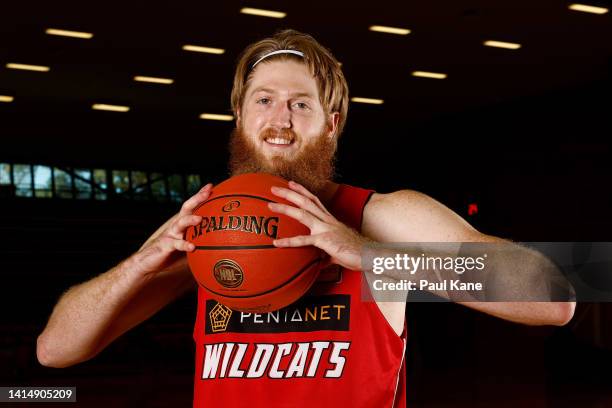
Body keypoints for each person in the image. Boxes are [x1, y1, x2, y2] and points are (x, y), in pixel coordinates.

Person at [37, 29, 575, 407]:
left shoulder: (381, 215)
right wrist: (138, 265)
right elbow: (55, 351)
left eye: (301, 104)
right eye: (264, 100)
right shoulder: (209, 230)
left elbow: (555, 299)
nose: (279, 120)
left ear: (331, 123)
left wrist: (364, 253)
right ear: (241, 117)